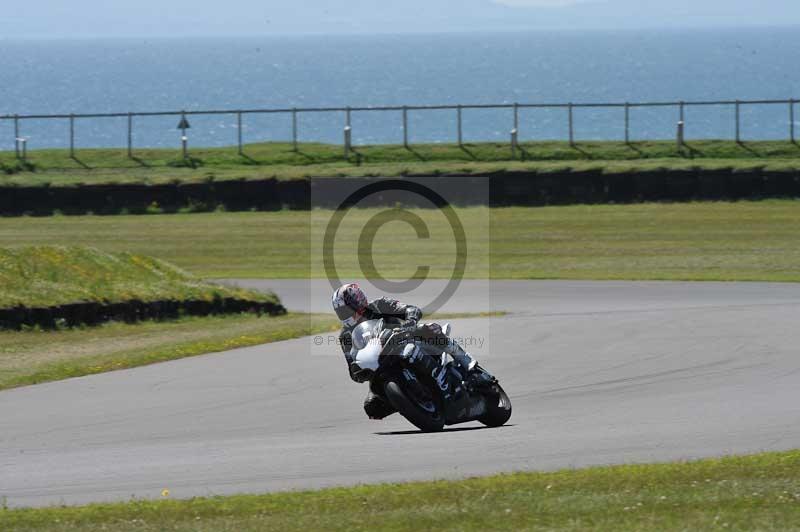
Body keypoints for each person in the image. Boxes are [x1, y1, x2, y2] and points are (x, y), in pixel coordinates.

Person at [332, 282, 491, 420]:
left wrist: (410, 321)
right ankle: (412, 402)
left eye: (346, 310)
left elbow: (411, 309)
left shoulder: (379, 305)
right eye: (341, 312)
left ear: (358, 301)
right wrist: (358, 372)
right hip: (380, 364)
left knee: (432, 330)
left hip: (406, 339)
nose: (345, 315)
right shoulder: (345, 336)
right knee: (372, 407)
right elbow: (352, 365)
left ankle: (471, 366)